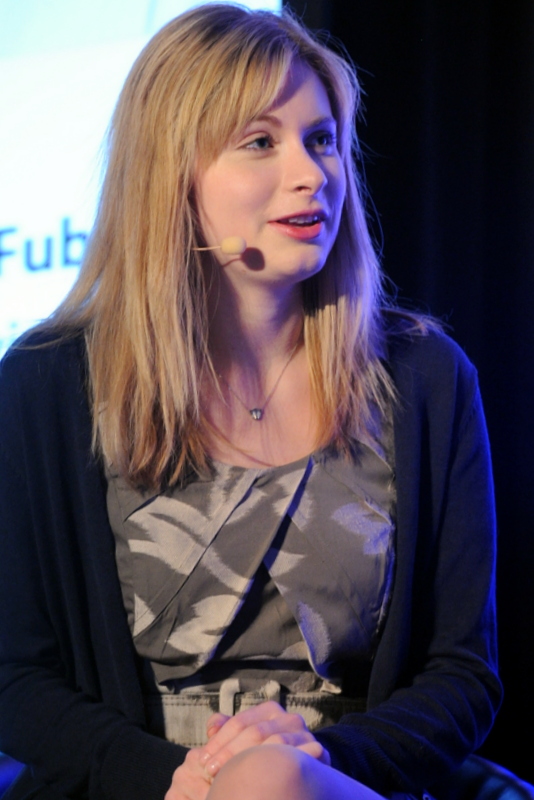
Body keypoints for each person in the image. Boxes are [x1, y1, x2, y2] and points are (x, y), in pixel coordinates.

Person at [0, 4, 502, 800]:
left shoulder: (426, 376)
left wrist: (316, 765)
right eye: (261, 142)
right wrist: (180, 780)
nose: (312, 173)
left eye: (322, 138)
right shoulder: (46, 382)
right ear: (171, 173)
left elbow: (462, 675)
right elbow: (17, 679)